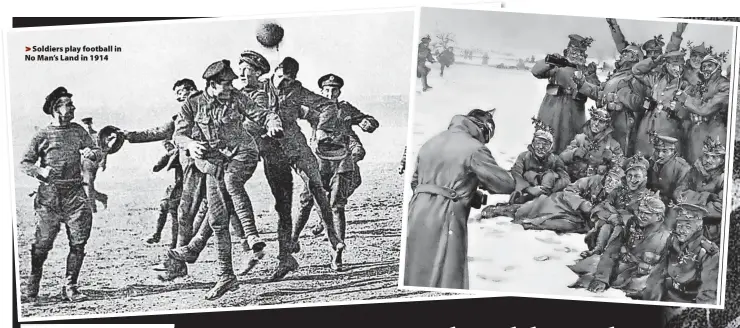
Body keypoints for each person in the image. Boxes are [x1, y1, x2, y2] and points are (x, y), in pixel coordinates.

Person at [170, 59, 282, 300]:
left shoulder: (237, 98)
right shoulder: (192, 104)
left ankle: (251, 236)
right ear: (212, 84)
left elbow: (262, 114)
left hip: (243, 154)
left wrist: (274, 124)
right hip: (214, 164)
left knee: (232, 182)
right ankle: (226, 276)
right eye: (226, 83)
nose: (231, 87)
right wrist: (190, 144)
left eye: (232, 82)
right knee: (219, 221)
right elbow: (178, 134)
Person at [252, 57, 345, 281]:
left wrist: (322, 129)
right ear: (274, 72)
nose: (285, 83)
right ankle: (286, 258)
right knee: (283, 207)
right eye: (282, 77)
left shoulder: (297, 90)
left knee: (317, 188)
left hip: (297, 147)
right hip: (273, 153)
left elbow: (327, 105)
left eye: (290, 79)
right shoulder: (258, 89)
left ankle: (333, 238)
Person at [404, 109, 515, 289]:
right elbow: (504, 183)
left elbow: (417, 182)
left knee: (415, 268)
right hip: (447, 214)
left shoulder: (431, 143)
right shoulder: (474, 148)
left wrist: (467, 190)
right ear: (484, 129)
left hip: (417, 211)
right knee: (446, 273)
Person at [21, 87, 102, 303]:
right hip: (49, 196)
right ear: (57, 109)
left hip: (75, 193)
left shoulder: (78, 131)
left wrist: (91, 153)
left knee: (79, 241)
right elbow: (25, 162)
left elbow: (96, 153)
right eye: (69, 104)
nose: (73, 108)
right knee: (43, 243)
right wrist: (39, 171)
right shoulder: (42, 134)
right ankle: (34, 280)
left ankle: (70, 286)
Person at [295, 74, 380, 254]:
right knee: (306, 201)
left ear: (339, 92)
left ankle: (334, 240)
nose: (330, 93)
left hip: (340, 160)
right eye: (326, 90)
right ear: (321, 92)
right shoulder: (313, 108)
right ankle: (293, 240)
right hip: (318, 161)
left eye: (334, 90)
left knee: (345, 192)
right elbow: (291, 113)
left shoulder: (345, 109)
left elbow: (367, 120)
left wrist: (368, 123)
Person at [570, 190, 672, 299]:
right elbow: (612, 249)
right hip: (617, 267)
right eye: (640, 211)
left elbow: (662, 271)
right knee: (583, 268)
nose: (641, 216)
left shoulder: (666, 237)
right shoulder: (632, 223)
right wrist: (602, 278)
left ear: (659, 216)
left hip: (641, 280)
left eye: (647, 213)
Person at [531, 34, 600, 154]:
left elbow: (596, 93)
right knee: (547, 135)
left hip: (573, 110)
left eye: (579, 53)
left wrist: (592, 76)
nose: (576, 55)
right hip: (552, 106)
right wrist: (550, 61)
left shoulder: (585, 71)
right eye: (573, 52)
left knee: (569, 140)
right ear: (567, 51)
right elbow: (536, 71)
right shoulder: (558, 65)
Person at [509, 161, 624, 234]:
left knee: (567, 225)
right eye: (610, 178)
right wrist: (584, 205)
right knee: (530, 208)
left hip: (578, 219)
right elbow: (569, 191)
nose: (611, 183)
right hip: (562, 203)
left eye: (615, 181)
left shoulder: (619, 194)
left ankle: (533, 224)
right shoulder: (592, 180)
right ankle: (504, 210)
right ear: (606, 176)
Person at [576, 43, 648, 156]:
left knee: (619, 151)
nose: (621, 55)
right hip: (606, 119)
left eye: (626, 53)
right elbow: (599, 93)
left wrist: (622, 95)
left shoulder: (635, 77)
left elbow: (639, 103)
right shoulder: (616, 76)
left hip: (622, 121)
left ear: (634, 57)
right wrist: (582, 84)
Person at [642, 201, 719, 304]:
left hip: (689, 302)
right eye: (679, 225)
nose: (681, 230)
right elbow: (659, 272)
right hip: (666, 296)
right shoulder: (672, 241)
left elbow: (707, 294)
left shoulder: (708, 252)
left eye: (688, 227)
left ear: (699, 227)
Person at [580, 153, 651, 257]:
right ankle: (598, 250)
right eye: (629, 176)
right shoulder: (618, 191)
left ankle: (607, 253)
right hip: (611, 225)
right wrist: (610, 215)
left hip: (631, 235)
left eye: (637, 176)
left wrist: (621, 218)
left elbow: (644, 219)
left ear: (644, 178)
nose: (632, 180)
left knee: (618, 229)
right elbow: (603, 205)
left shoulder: (647, 196)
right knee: (606, 227)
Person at [632, 50, 692, 158]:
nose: (676, 69)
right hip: (648, 123)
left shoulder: (684, 85)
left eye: (678, 66)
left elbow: (687, 112)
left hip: (668, 125)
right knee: (642, 154)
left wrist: (679, 109)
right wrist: (654, 61)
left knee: (663, 156)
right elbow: (636, 70)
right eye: (672, 65)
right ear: (666, 65)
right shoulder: (657, 79)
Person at [675, 51, 731, 165]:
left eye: (710, 65)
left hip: (714, 132)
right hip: (695, 133)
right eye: (704, 66)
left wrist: (686, 99)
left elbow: (705, 109)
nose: (706, 68)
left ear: (718, 67)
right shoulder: (702, 84)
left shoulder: (725, 85)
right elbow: (689, 109)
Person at [674, 136, 725, 245]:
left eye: (714, 158)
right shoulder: (694, 171)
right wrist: (707, 197)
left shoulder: (723, 178)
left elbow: (721, 209)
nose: (708, 160)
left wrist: (691, 200)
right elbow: (678, 193)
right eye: (706, 156)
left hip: (711, 228)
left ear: (722, 161)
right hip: (685, 220)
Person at [508, 118, 571, 205]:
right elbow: (516, 173)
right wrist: (529, 189)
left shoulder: (555, 159)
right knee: (528, 174)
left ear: (550, 147)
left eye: (545, 144)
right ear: (533, 144)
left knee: (551, 175)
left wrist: (549, 190)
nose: (541, 147)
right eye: (538, 143)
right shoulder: (524, 156)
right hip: (527, 191)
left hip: (547, 193)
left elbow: (565, 179)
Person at [559, 106, 623, 181]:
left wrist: (610, 164)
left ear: (606, 125)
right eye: (595, 119)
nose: (596, 124)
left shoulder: (613, 145)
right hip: (576, 182)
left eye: (601, 122)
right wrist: (574, 152)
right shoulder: (580, 138)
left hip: (599, 185)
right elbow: (561, 158)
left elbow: (621, 166)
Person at [606, 19, 686, 62]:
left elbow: (673, 47)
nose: (653, 55)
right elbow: (623, 47)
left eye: (656, 52)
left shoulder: (665, 63)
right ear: (646, 53)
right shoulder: (639, 63)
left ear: (661, 52)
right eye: (650, 52)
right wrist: (614, 26)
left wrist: (679, 32)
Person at [646, 134, 690, 213]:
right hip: (651, 203)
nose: (660, 155)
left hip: (671, 207)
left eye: (664, 151)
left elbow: (680, 195)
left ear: (672, 151)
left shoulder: (682, 167)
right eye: (657, 150)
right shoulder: (651, 163)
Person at [80, 117, 109, 213]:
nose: (87, 126)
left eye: (88, 124)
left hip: (92, 163)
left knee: (88, 184)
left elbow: (103, 150)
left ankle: (92, 209)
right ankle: (102, 197)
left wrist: (102, 163)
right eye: (85, 124)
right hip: (80, 164)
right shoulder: (80, 137)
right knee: (83, 185)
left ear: (91, 124)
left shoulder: (97, 136)